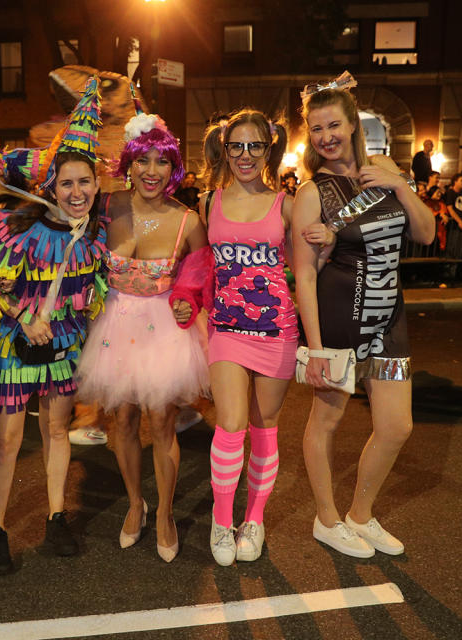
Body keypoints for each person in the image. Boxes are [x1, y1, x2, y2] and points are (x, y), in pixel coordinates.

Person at [291, 72, 434, 558]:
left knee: (397, 426)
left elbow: (427, 234)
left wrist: (401, 185)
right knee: (326, 422)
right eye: (315, 129)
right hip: (339, 321)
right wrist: (313, 346)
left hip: (389, 321)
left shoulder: (385, 171)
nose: (326, 137)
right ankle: (327, 519)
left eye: (333, 125)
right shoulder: (313, 193)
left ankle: (361, 515)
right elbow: (305, 276)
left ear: (353, 123)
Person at [0, 78, 106, 574]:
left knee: (57, 430)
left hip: (64, 343)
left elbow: (97, 288)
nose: (76, 192)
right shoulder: (14, 226)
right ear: (50, 186)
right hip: (12, 346)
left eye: (84, 182)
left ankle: (55, 516)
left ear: (95, 183)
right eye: (66, 183)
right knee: (4, 441)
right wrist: (23, 316)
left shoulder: (95, 233)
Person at [75, 107, 209, 563]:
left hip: (162, 332)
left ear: (174, 167)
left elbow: (201, 280)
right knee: (123, 421)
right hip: (114, 325)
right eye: (143, 160)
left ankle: (166, 514)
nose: (152, 171)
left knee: (162, 422)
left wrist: (187, 299)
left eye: (162, 161)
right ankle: (136, 503)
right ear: (128, 163)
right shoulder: (106, 203)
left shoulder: (189, 221)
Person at [171, 107, 294, 566]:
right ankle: (222, 523)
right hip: (226, 328)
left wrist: (327, 237)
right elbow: (200, 263)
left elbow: (307, 266)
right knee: (231, 424)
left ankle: (254, 519)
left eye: (254, 146)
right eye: (236, 146)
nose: (245, 155)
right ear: (225, 149)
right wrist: (186, 296)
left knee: (264, 428)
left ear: (269, 149)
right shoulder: (209, 201)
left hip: (277, 330)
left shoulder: (289, 203)